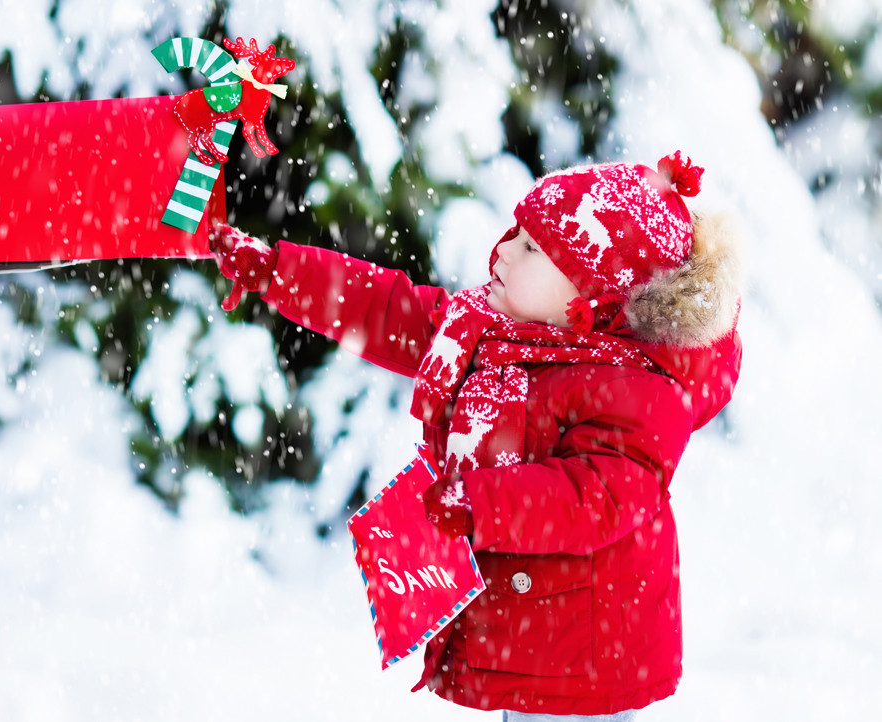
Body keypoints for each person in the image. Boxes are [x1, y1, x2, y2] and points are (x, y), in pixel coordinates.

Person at [209, 151, 743, 720]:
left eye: (533, 249)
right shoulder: (487, 335)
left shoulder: (638, 392)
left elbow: (597, 496)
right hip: (531, 638)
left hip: (587, 663)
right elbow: (383, 309)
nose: (504, 250)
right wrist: (276, 273)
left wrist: (483, 503)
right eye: (515, 232)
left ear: (589, 298)